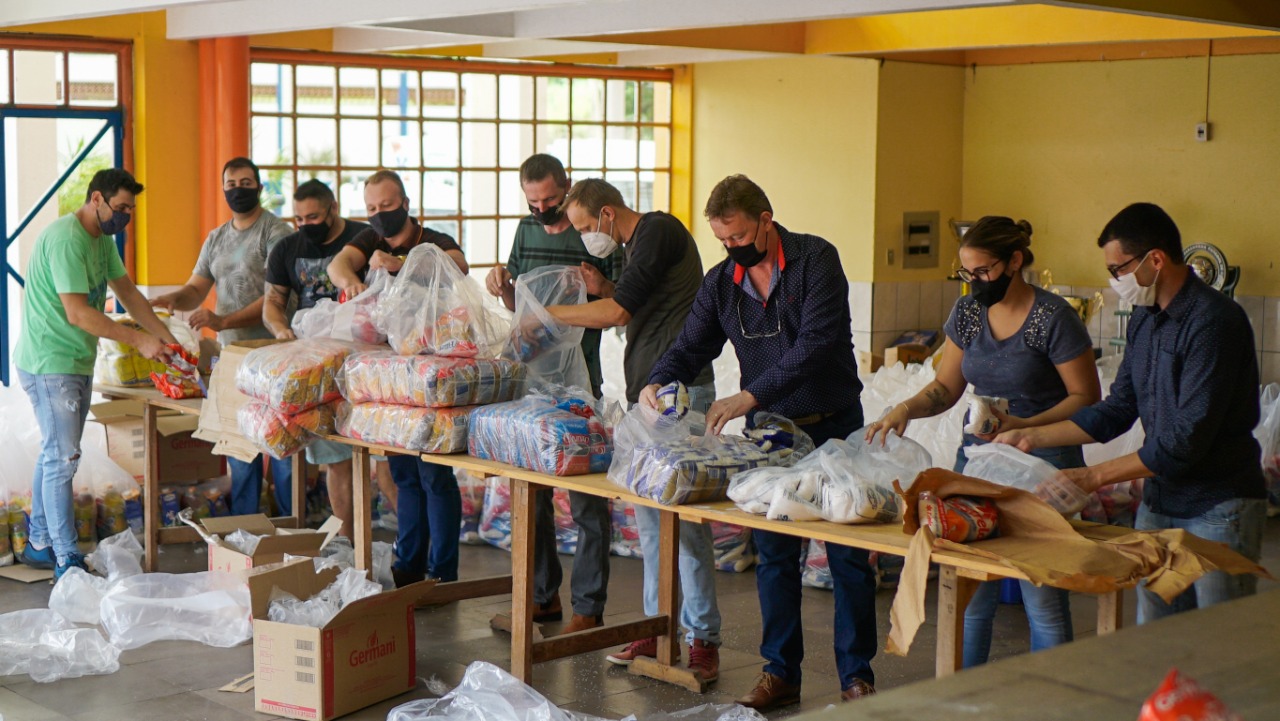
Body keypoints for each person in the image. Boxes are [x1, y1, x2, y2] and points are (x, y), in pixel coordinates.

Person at [643, 175, 872, 709]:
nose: (733, 249)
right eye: (723, 241)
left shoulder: (817, 261)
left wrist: (748, 396)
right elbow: (691, 344)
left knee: (849, 554)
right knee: (774, 555)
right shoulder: (724, 282)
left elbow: (816, 346)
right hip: (771, 435)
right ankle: (780, 672)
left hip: (832, 421)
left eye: (740, 237)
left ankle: (857, 678)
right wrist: (656, 380)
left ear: (766, 221)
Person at [996, 202, 1267, 623]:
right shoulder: (1144, 317)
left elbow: (1183, 443)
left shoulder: (1214, 322)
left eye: (1118, 269)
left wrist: (1092, 477)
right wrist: (1031, 434)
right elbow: (1118, 408)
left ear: (1155, 260)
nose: (1114, 281)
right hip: (1159, 502)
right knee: (1154, 637)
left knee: (1217, 643)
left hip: (1218, 507)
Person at [864, 216, 1100, 668]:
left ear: (1015, 261)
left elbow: (1087, 399)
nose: (974, 283)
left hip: (1044, 466)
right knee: (972, 593)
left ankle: (1056, 701)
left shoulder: (1053, 319)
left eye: (983, 272)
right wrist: (904, 409)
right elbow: (945, 388)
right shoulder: (969, 314)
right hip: (981, 463)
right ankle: (963, 699)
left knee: (1041, 599)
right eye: (965, 274)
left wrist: (1025, 426)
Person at [546, 178, 719, 663]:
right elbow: (638, 301)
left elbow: (620, 312)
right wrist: (605, 286)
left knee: (684, 524)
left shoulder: (658, 230)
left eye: (583, 226)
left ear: (606, 214)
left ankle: (702, 640)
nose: (584, 238)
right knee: (650, 526)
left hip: (680, 396)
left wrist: (548, 315)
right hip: (647, 396)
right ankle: (656, 628)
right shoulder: (632, 247)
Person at [483, 156, 623, 636]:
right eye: (533, 201)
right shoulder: (526, 230)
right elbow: (520, 303)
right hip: (532, 379)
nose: (543, 209)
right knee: (531, 495)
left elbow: (619, 302)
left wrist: (594, 290)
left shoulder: (593, 236)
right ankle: (542, 598)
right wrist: (501, 286)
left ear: (568, 188)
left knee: (586, 498)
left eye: (550, 200)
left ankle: (589, 606)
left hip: (581, 380)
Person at [16, 168, 178, 579]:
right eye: (120, 207)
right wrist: (138, 341)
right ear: (96, 200)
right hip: (50, 362)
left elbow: (128, 294)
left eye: (130, 209)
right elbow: (78, 312)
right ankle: (67, 559)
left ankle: (39, 543)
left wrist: (167, 339)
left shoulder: (102, 240)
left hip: (73, 360)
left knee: (55, 451)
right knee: (63, 457)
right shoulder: (68, 239)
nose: (124, 216)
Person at [328, 169, 468, 586]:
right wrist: (353, 283)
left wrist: (401, 264)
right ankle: (408, 565)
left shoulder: (431, 240)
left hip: (431, 375)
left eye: (386, 207)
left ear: (405, 204)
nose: (379, 215)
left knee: (435, 475)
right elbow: (339, 264)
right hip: (389, 380)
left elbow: (458, 265)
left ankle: (442, 571)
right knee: (404, 473)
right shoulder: (369, 239)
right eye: (371, 209)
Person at [151, 157, 295, 517]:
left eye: (246, 183)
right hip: (233, 358)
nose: (238, 190)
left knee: (283, 450)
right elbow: (195, 289)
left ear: (260, 188)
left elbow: (279, 295)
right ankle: (245, 527)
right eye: (231, 184)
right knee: (240, 445)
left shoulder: (276, 233)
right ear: (223, 189)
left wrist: (223, 318)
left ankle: (294, 529)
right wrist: (170, 300)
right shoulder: (216, 238)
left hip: (275, 354)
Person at [262, 179, 370, 519]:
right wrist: (281, 330)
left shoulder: (361, 239)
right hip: (316, 371)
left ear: (333, 209)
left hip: (365, 363)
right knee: (334, 462)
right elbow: (272, 304)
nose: (306, 225)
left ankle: (399, 550)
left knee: (384, 463)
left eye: (313, 217)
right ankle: (351, 548)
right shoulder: (286, 249)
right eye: (300, 219)